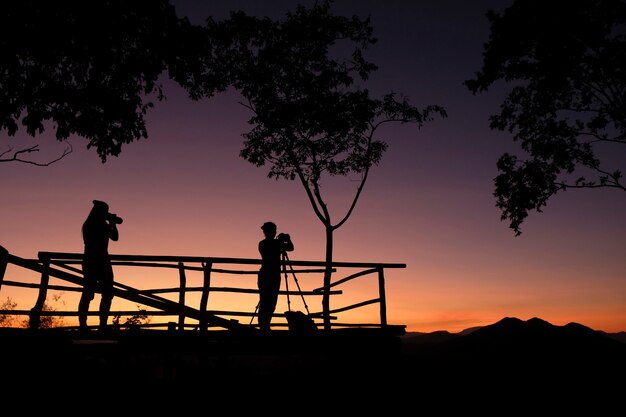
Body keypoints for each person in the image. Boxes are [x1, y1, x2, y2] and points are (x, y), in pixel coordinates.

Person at [78, 200, 121, 332]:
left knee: (96, 293)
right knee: (94, 293)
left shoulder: (92, 224)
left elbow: (115, 237)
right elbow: (114, 237)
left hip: (95, 261)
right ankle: (96, 325)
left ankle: (92, 324)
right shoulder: (95, 225)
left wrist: (112, 223)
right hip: (98, 261)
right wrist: (111, 223)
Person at [257, 221, 294, 332]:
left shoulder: (263, 243)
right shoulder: (269, 244)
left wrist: (285, 240)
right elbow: (290, 247)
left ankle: (264, 325)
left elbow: (290, 248)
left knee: (267, 301)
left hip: (266, 274)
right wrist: (286, 240)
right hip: (272, 275)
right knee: (268, 301)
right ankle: (264, 326)